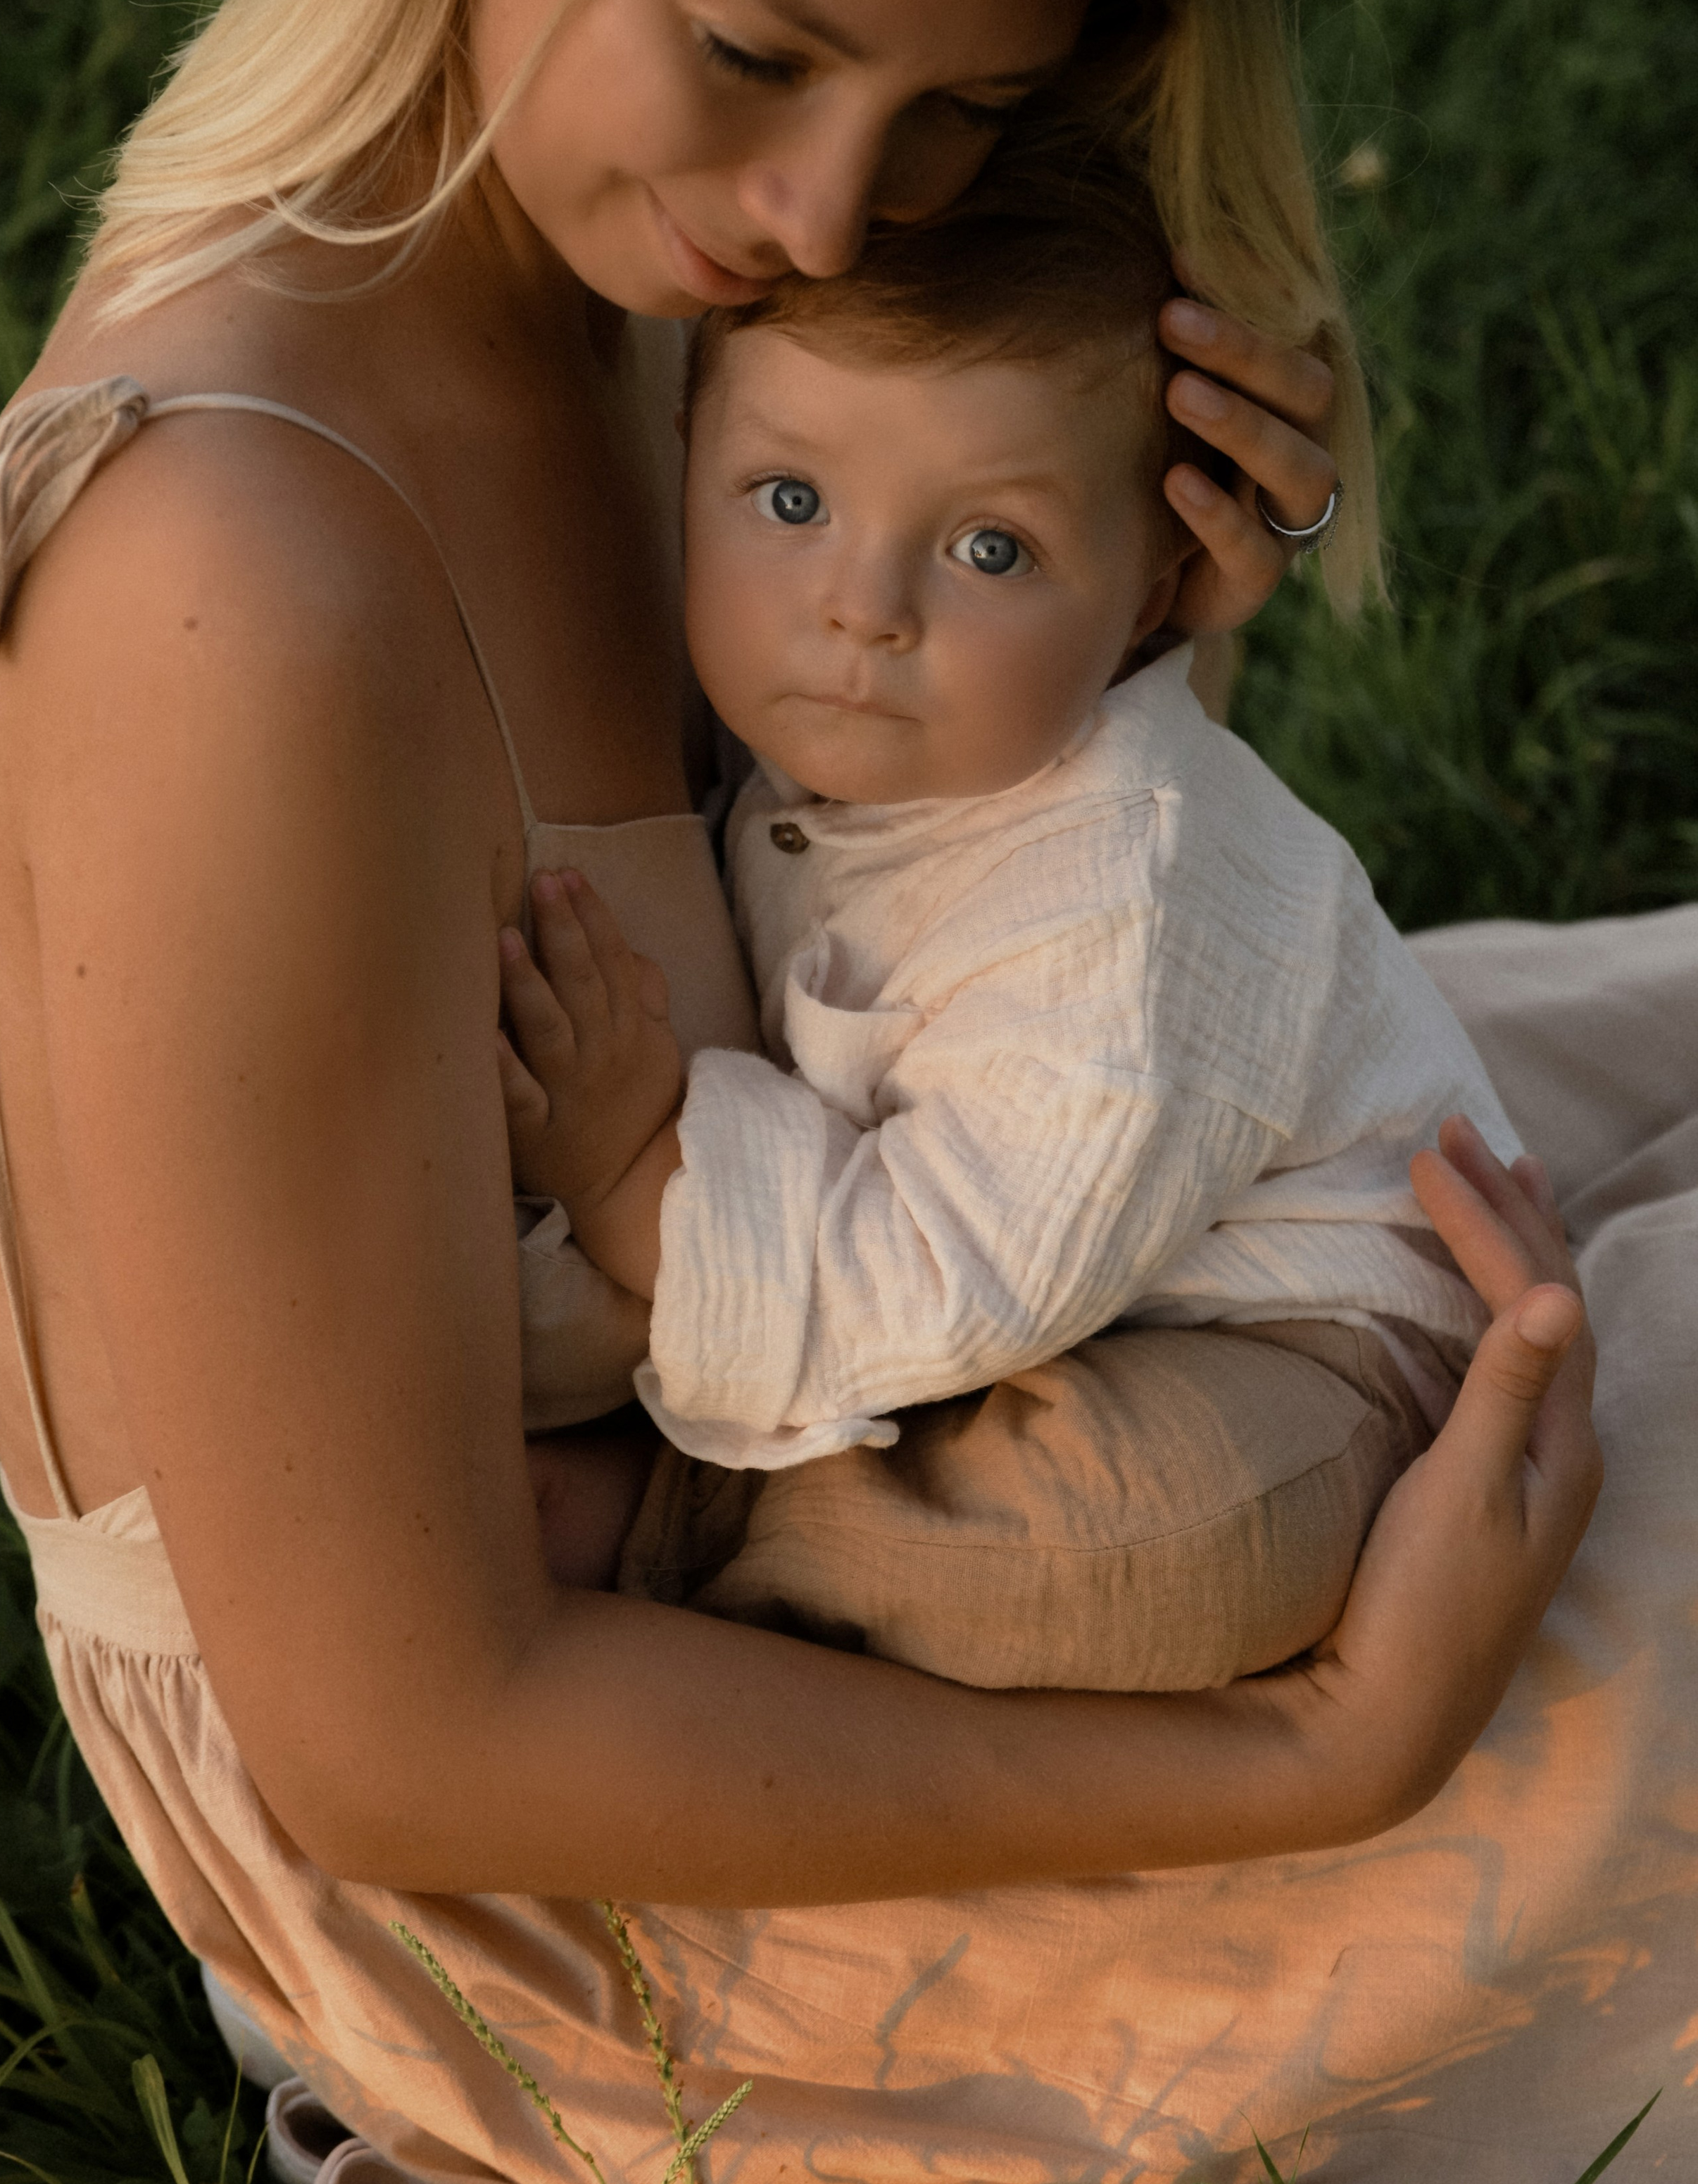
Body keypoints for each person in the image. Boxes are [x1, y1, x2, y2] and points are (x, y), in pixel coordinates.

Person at [0, 0, 1625, 2184]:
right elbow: (409, 1744)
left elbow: (920, 942)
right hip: (618, 1886)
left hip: (882, 1335)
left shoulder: (638, 275)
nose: (829, 211)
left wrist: (1110, 611)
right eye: (755, 51)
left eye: (964, 111)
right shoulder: (231, 582)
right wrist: (1320, 1762)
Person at [498, 165, 1511, 1693]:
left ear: (1157, 590)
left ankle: (689, 1533)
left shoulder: (1118, 911)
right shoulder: (882, 731)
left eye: (989, 550)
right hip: (1043, 1266)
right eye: (790, 502)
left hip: (1299, 1347)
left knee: (1149, 1550)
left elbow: (945, 1271)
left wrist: (635, 1161)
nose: (863, 607)